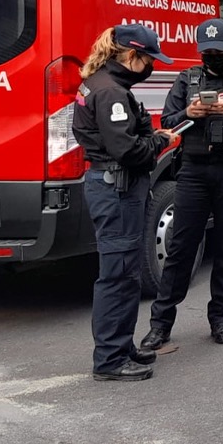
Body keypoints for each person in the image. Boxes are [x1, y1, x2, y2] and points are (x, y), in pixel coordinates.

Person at [141, 19, 223, 352]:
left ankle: (220, 320)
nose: (211, 57)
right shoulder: (188, 80)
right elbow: (168, 121)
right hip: (194, 172)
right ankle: (160, 325)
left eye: (216, 51)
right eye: (205, 52)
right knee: (181, 249)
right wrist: (190, 111)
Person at [72, 24, 179, 382]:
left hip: (114, 186)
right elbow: (128, 150)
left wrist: (149, 136)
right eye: (149, 59)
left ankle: (121, 344)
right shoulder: (111, 93)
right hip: (116, 188)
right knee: (117, 275)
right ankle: (109, 358)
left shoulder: (104, 84)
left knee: (127, 272)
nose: (152, 66)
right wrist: (159, 142)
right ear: (132, 56)